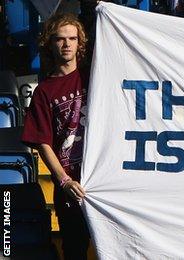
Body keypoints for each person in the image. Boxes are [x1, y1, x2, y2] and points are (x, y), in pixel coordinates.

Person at [21, 13, 91, 259]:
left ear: (80, 42)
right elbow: (43, 143)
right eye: (60, 39)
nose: (67, 44)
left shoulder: (94, 76)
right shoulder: (44, 91)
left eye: (72, 38)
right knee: (75, 251)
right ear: (50, 43)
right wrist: (64, 181)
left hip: (105, 179)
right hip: (71, 186)